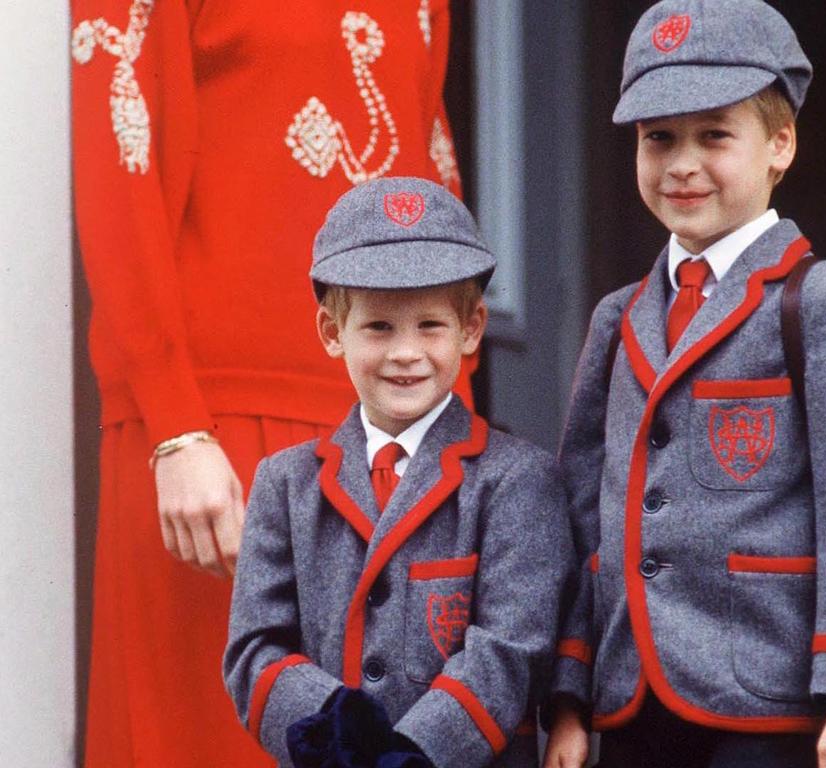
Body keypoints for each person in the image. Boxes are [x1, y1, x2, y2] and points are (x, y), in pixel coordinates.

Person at [70, 1, 470, 765]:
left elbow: (425, 180)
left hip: (384, 425)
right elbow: (120, 178)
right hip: (209, 430)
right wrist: (174, 425)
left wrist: (456, 432)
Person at [542, 2, 826, 767]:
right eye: (659, 139)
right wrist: (567, 694)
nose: (682, 162)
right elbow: (582, 518)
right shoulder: (618, 317)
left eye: (714, 134)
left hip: (771, 699)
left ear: (780, 144)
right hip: (629, 699)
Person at [224, 177, 573, 768]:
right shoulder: (282, 485)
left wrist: (414, 751)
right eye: (379, 327)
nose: (405, 352)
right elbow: (254, 649)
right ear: (333, 333)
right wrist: (338, 734)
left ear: (471, 329)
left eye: (430, 326)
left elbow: (513, 647)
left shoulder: (519, 480)